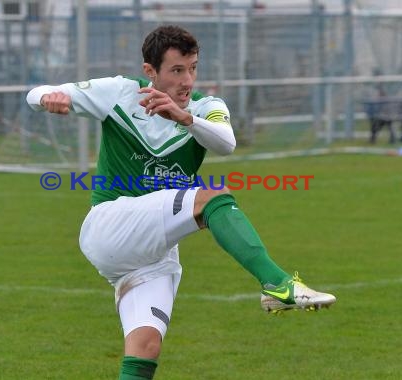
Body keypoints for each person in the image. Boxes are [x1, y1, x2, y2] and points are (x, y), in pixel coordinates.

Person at [27, 25, 336, 379]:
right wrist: (48, 98)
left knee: (145, 349)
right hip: (110, 225)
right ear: (150, 72)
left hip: (154, 253)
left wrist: (185, 118)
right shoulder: (120, 92)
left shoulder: (207, 106)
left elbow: (226, 143)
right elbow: (37, 93)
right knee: (212, 197)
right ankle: (277, 283)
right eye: (176, 70)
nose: (187, 79)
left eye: (193, 68)